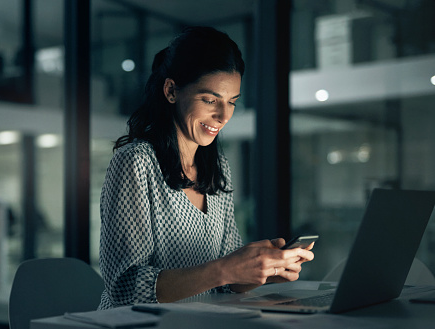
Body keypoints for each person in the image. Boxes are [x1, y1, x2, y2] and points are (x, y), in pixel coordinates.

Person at [98, 26, 314, 310]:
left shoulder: (216, 167)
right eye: (210, 100)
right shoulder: (136, 163)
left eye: (232, 102)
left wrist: (263, 271)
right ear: (171, 91)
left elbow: (224, 282)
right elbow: (125, 289)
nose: (223, 116)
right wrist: (225, 268)